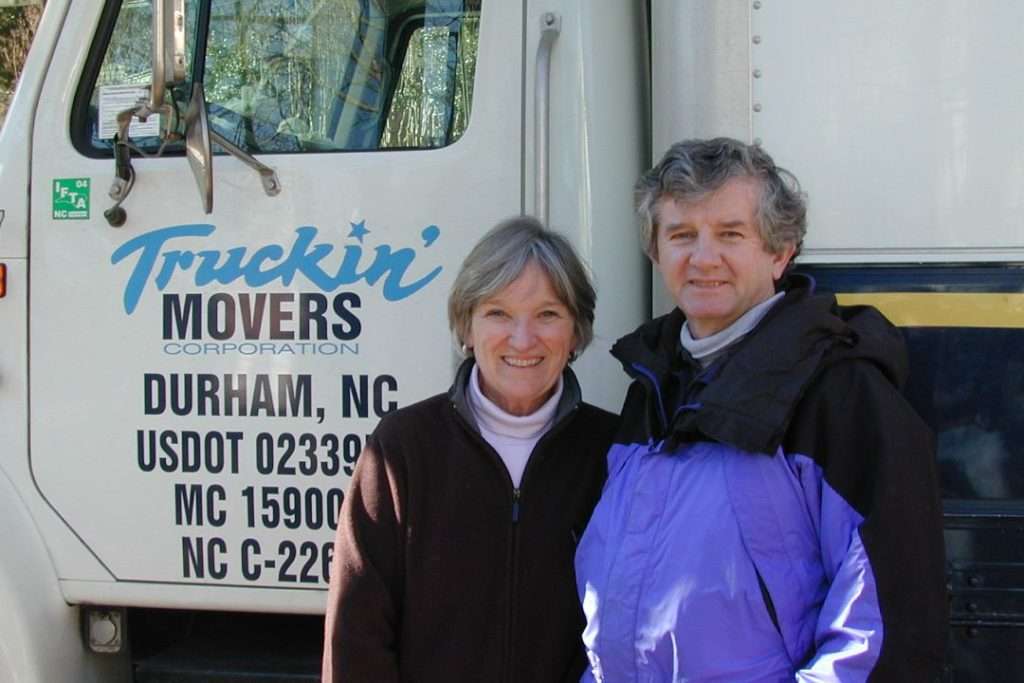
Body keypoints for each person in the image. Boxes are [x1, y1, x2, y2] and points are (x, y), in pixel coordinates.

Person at [575, 138, 947, 681]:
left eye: (731, 234)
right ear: (656, 254)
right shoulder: (651, 389)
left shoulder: (840, 395)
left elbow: (883, 633)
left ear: (780, 252)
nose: (703, 258)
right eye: (681, 236)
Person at [322, 216, 616, 682]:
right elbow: (357, 635)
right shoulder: (402, 448)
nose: (523, 339)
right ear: (466, 326)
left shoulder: (615, 454)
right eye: (498, 313)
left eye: (548, 314)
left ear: (576, 332)